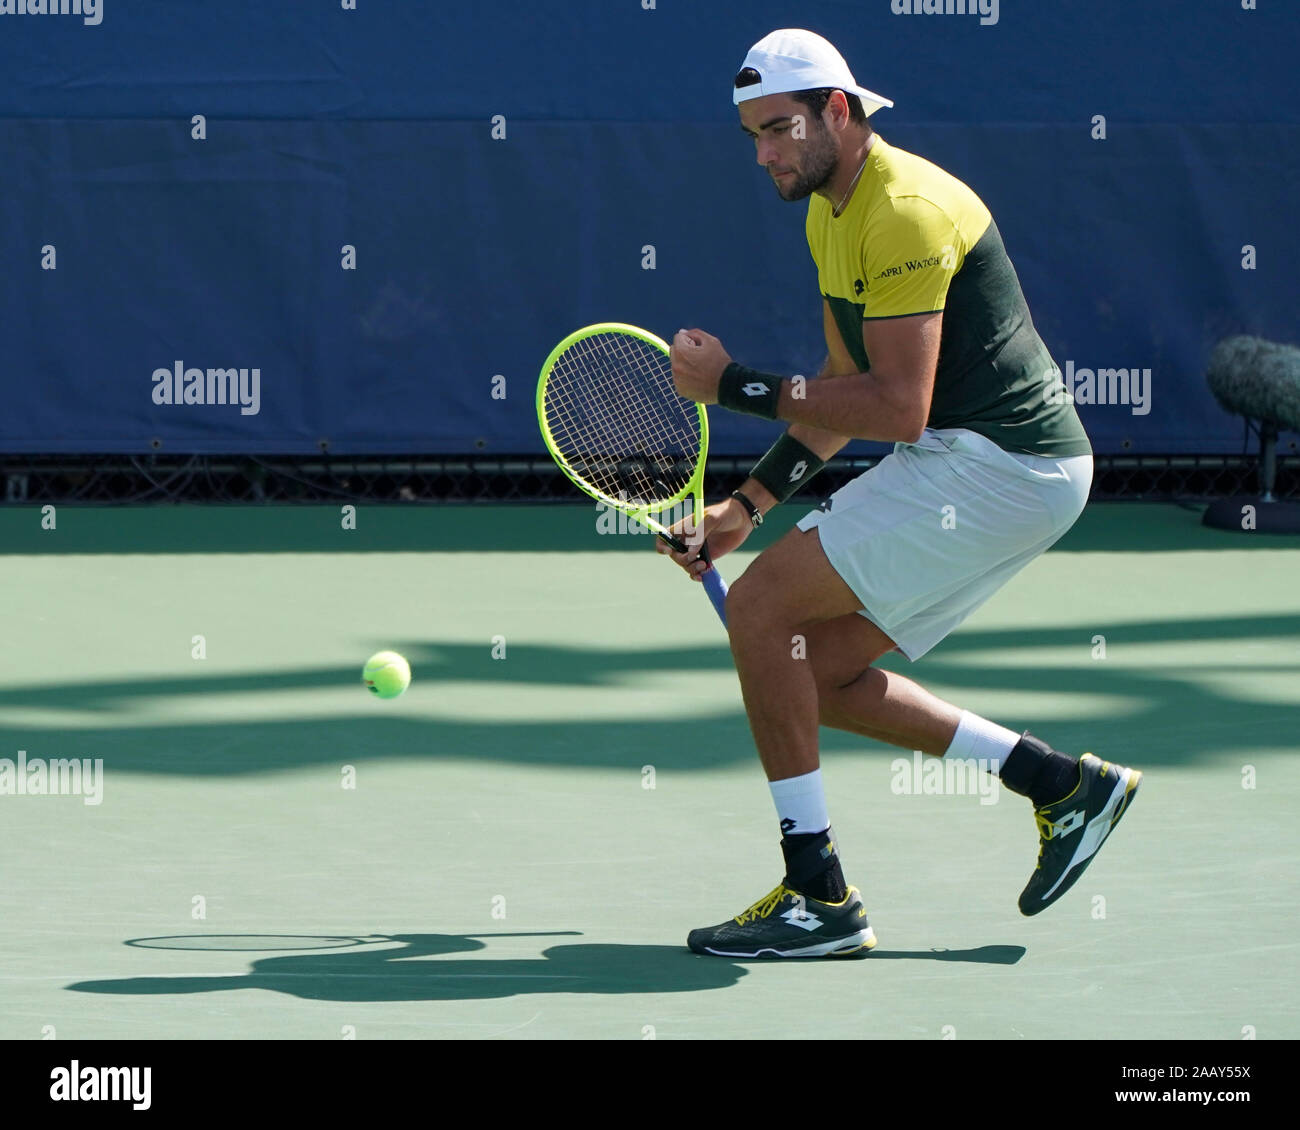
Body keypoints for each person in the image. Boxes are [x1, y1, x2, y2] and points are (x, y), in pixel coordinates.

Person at [661, 28, 1140, 958]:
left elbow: (899, 408)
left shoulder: (907, 209)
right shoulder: (828, 215)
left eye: (778, 130)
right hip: (997, 468)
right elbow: (843, 392)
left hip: (998, 464)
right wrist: (745, 510)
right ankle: (1059, 785)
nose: (763, 154)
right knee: (812, 667)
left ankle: (818, 898)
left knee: (761, 611)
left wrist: (733, 385)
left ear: (836, 111)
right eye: (753, 135)